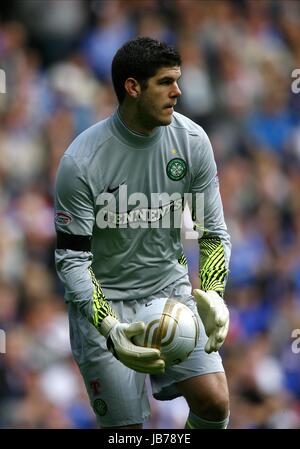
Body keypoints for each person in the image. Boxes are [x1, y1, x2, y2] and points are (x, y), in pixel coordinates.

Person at [54, 37, 231, 429]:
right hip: (105, 306)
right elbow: (72, 260)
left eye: (178, 80)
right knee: (128, 434)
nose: (178, 91)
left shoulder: (192, 142)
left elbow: (212, 231)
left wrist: (215, 295)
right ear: (133, 87)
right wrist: (110, 327)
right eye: (165, 82)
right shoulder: (81, 162)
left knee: (215, 403)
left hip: (169, 292)